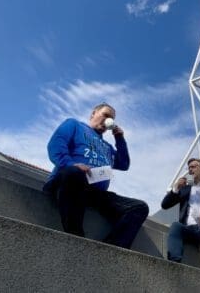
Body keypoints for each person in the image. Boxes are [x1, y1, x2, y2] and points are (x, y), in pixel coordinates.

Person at [43, 103, 149, 249]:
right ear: (93, 113)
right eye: (105, 115)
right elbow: (56, 145)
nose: (108, 120)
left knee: (139, 207)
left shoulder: (107, 147)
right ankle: (76, 237)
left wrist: (120, 139)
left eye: (111, 118)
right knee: (74, 173)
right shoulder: (74, 125)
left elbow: (124, 164)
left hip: (93, 193)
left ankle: (110, 250)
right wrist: (71, 164)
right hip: (69, 182)